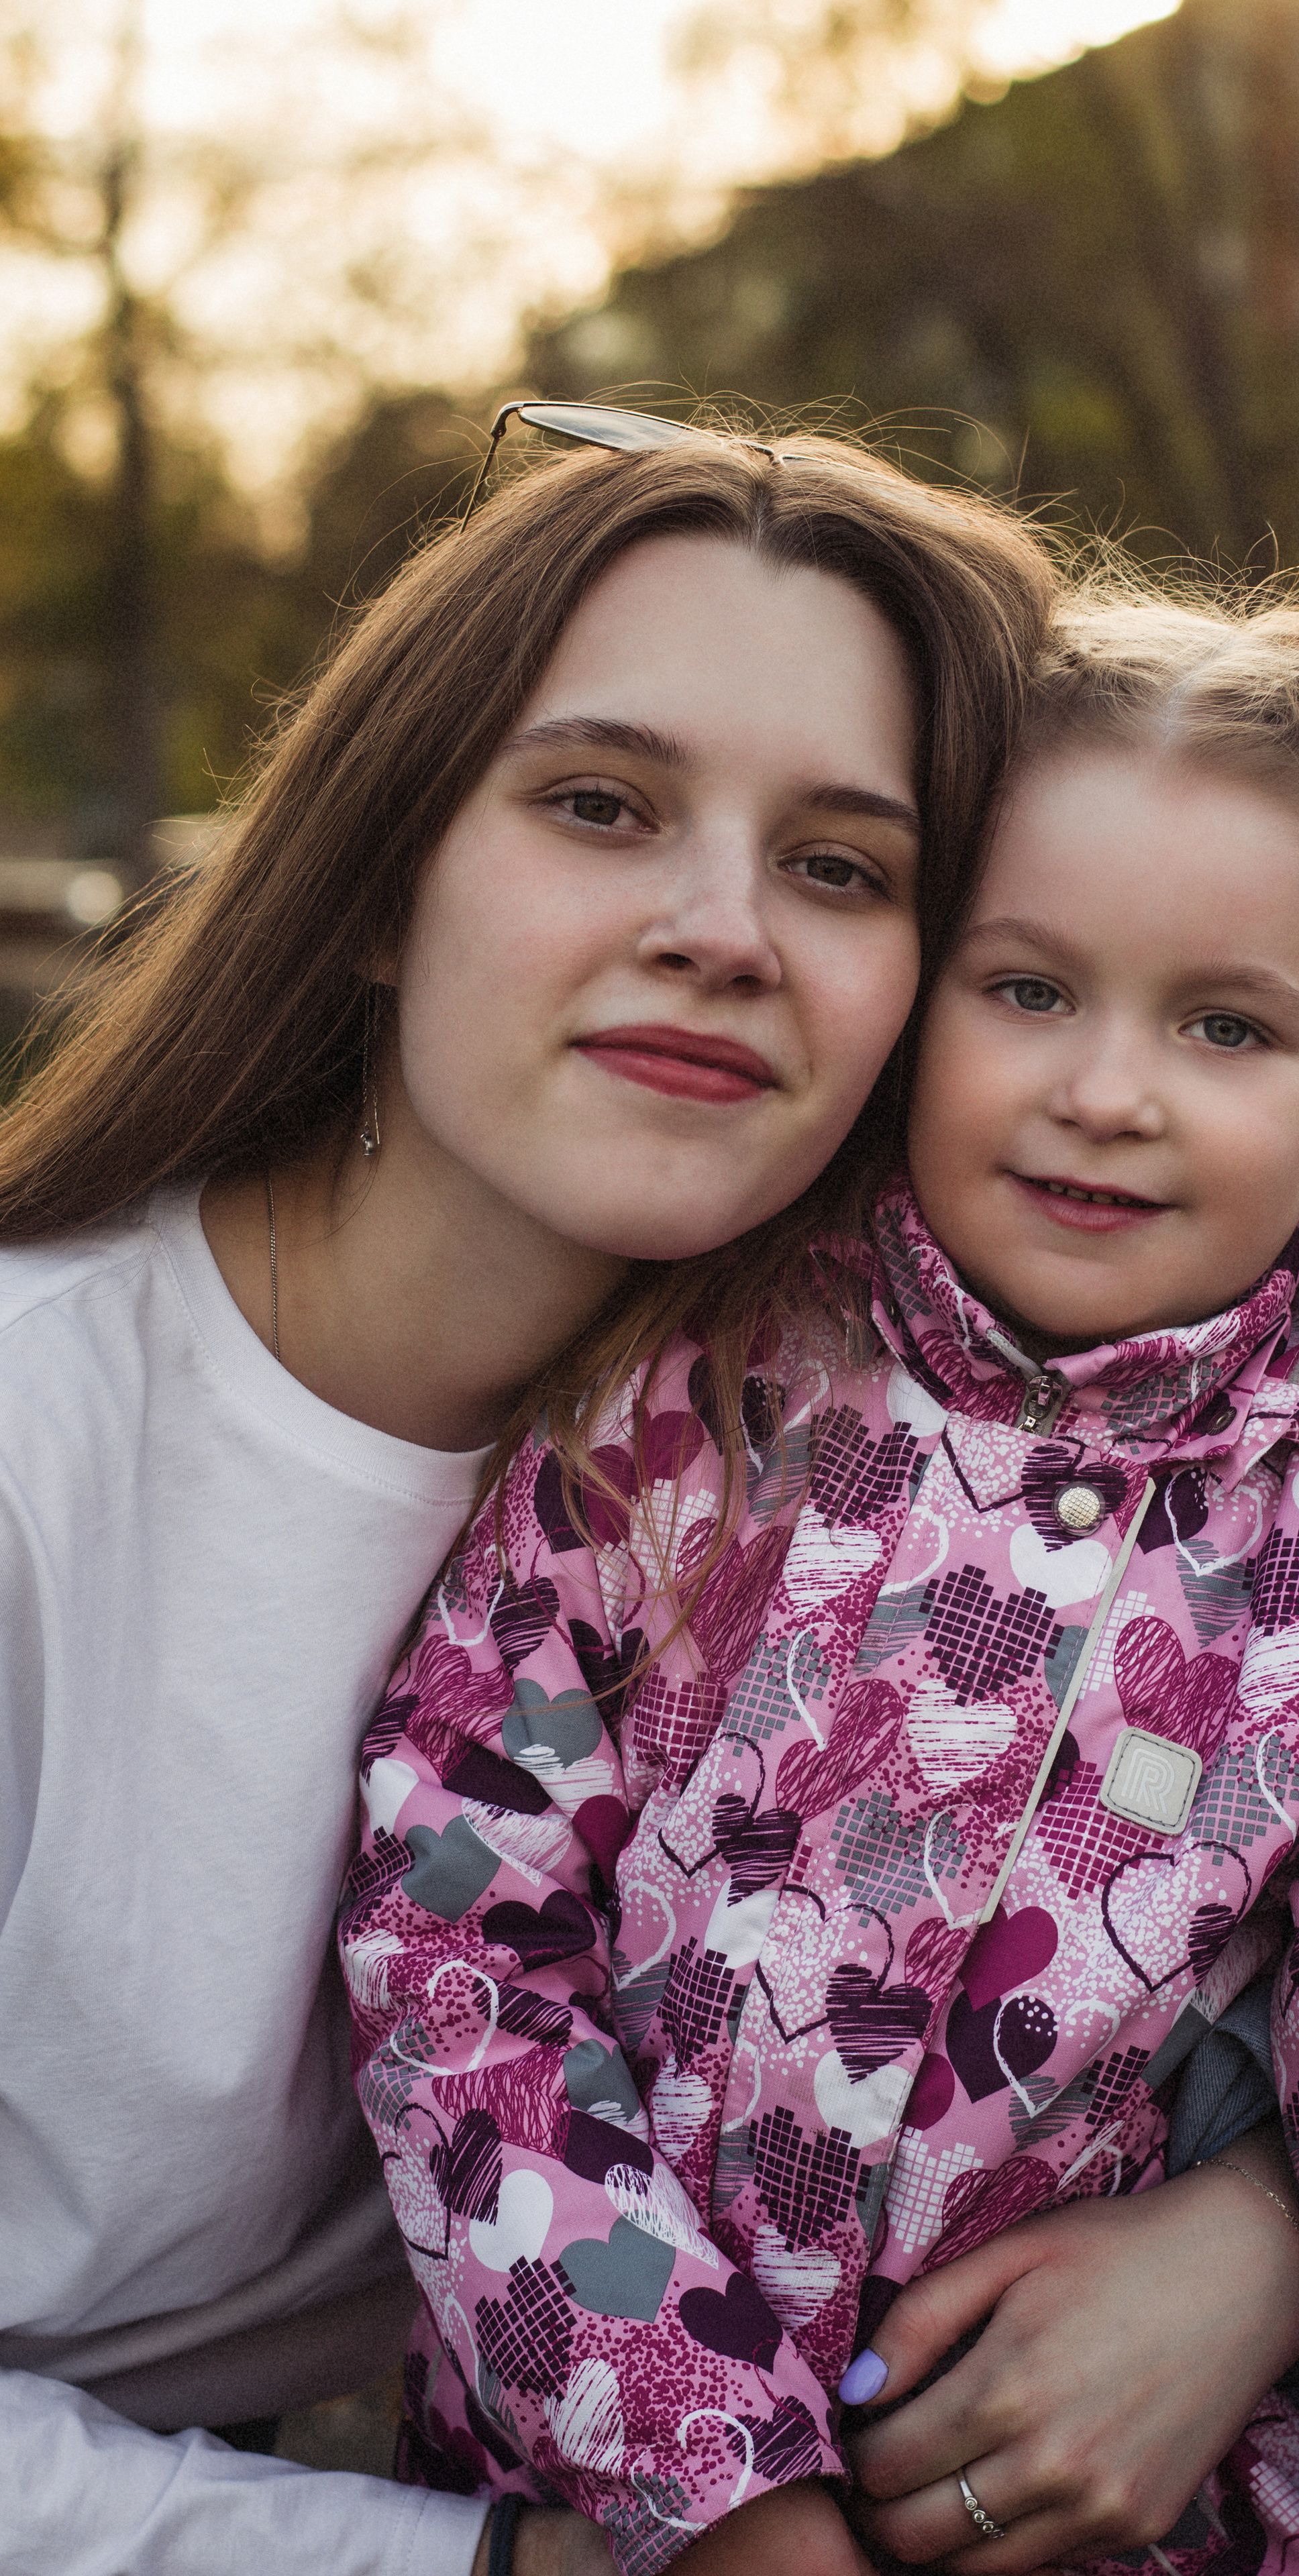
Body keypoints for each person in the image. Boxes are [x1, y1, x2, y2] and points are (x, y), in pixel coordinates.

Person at [344, 580, 1299, 2576]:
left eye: (1226, 1024)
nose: (1107, 1090)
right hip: (602, 2521)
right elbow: (458, 1938)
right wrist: (718, 2493)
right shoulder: (696, 1413)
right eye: (1029, 989)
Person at [0, 411, 1067, 2576]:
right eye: (602, 806)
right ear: (384, 882)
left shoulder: (868, 1490)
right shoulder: (38, 1451)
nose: (722, 928)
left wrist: (1267, 2236)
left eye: (844, 868)